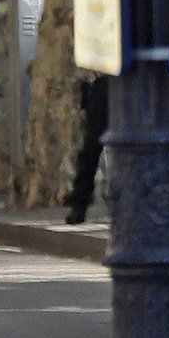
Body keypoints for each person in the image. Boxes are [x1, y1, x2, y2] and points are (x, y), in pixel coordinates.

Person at [65, 72, 108, 224]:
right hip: (104, 84)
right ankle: (79, 204)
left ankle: (79, 205)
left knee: (90, 151)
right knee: (90, 150)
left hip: (118, 83)